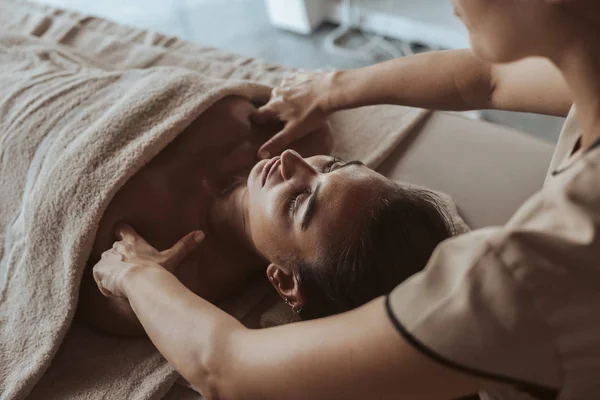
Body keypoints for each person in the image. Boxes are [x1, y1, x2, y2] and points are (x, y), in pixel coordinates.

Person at [92, 0, 600, 398]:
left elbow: (225, 369)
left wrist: (134, 272)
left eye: (300, 205)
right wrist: (331, 87)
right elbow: (487, 79)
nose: (292, 163)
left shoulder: (521, 278)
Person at [78, 95, 454, 336]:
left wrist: (139, 285)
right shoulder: (302, 135)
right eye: (336, 166)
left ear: (286, 283)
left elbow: (100, 291)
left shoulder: (171, 272)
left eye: (299, 203)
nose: (292, 161)